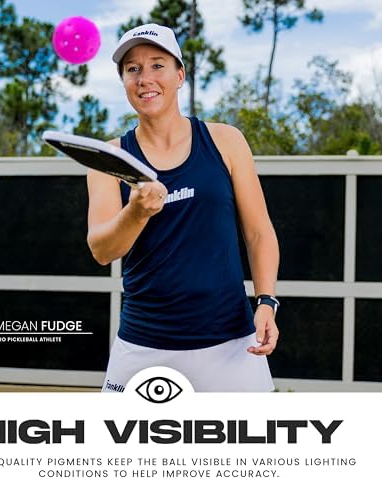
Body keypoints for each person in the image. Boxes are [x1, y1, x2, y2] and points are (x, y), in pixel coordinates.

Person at [87, 23, 280, 392]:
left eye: (157, 65)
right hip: (142, 346)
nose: (145, 78)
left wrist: (267, 301)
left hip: (232, 346)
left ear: (180, 75)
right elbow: (102, 249)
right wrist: (137, 212)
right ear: (124, 81)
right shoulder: (110, 158)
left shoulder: (226, 141)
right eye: (133, 69)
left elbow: (259, 233)